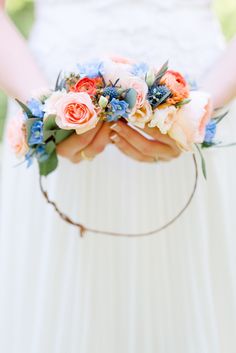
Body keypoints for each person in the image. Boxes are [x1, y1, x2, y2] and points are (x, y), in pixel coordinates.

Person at [0, 1, 236, 352]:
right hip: (48, 92)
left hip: (200, 95)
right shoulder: (49, 111)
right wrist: (47, 114)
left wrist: (198, 111)